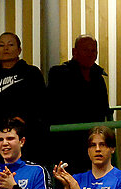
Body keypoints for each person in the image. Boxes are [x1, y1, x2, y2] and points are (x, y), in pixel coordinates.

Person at [45, 37, 112, 172]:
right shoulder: (59, 74)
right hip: (66, 142)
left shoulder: (98, 77)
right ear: (74, 52)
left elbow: (103, 110)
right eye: (86, 50)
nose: (90, 54)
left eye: (93, 51)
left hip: (92, 141)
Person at [0, 33, 46, 163]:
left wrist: (25, 119)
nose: (6, 48)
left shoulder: (32, 73)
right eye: (1, 45)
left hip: (28, 135)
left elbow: (41, 102)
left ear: (19, 50)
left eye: (10, 44)